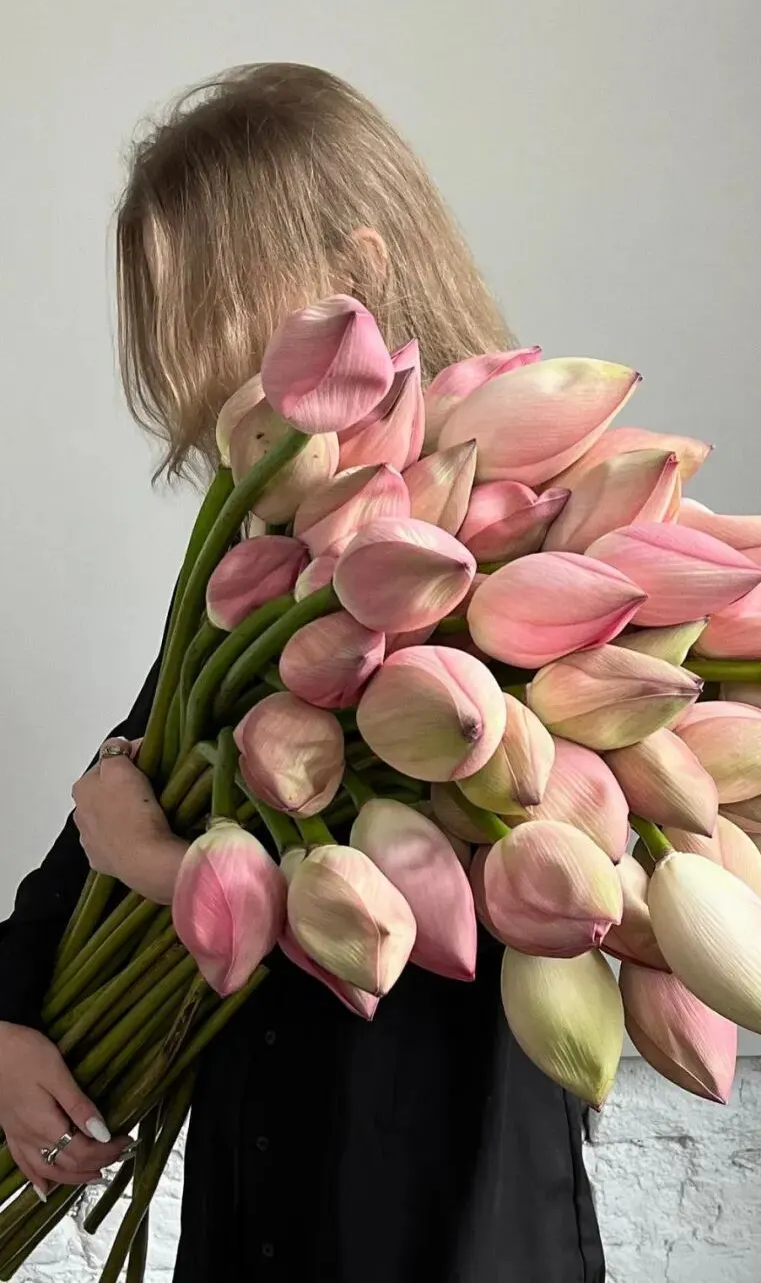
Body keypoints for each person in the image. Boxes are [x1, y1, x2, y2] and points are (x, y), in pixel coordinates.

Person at [0, 63, 606, 1282]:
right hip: (262, 1193)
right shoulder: (280, 555)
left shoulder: (517, 558)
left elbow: (423, 926)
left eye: (209, 311)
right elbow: (152, 771)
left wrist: (155, 864)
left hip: (441, 1215)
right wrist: (9, 1010)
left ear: (359, 275)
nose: (190, 364)